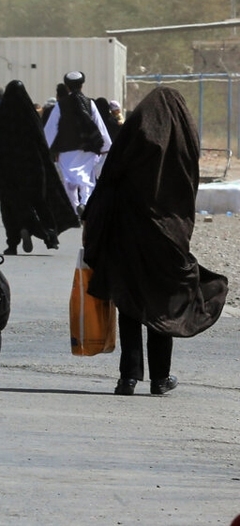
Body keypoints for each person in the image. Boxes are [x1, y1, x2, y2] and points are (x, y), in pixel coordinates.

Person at [82, 87, 228, 396]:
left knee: (130, 300)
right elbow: (188, 186)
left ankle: (128, 377)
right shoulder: (183, 142)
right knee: (164, 300)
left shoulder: (133, 138)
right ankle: (161, 378)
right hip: (169, 231)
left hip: (127, 231)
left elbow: (109, 178)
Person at [0, 80, 80, 254]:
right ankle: (49, 234)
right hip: (32, 170)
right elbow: (42, 142)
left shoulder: (0, 117)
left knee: (10, 207)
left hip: (7, 172)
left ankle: (13, 242)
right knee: (39, 202)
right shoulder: (31, 117)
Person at [44, 71, 112, 217]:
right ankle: (85, 203)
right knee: (87, 180)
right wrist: (106, 146)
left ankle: (75, 210)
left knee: (69, 183)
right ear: (82, 85)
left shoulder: (60, 105)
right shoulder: (90, 103)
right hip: (88, 149)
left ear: (67, 87)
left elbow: (51, 129)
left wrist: (45, 147)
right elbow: (99, 126)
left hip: (66, 151)